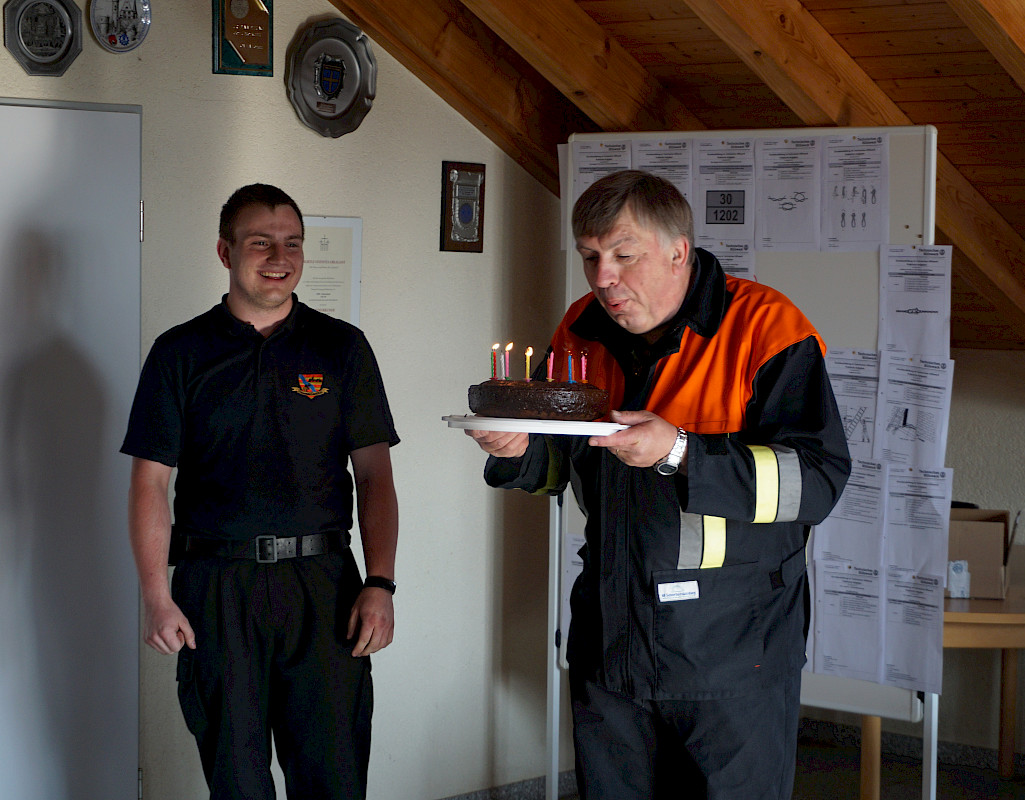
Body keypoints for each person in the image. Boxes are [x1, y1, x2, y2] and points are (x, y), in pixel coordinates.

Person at [467, 170, 851, 799]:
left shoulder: (767, 329)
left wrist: (677, 451)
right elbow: (558, 468)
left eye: (623, 255)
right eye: (590, 257)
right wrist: (516, 452)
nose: (602, 278)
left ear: (679, 251)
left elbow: (816, 483)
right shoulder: (580, 331)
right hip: (612, 642)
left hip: (732, 656)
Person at [121, 184, 399, 800]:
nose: (279, 256)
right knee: (237, 781)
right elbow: (150, 483)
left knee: (333, 778)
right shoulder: (179, 353)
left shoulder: (342, 347)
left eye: (292, 243)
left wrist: (380, 583)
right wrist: (155, 596)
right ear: (225, 252)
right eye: (260, 242)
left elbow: (375, 475)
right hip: (216, 590)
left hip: (324, 590)